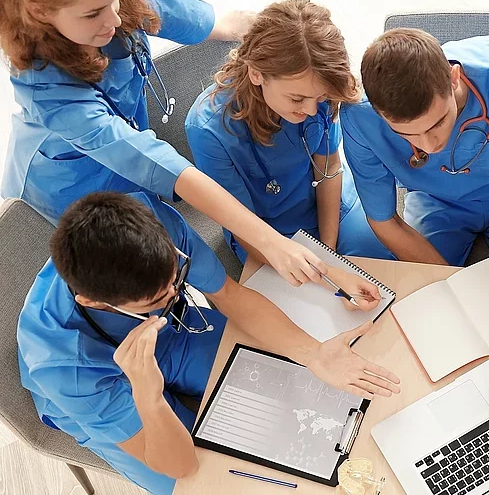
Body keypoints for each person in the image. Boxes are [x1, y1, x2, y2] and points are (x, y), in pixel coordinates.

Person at [17, 192, 401, 495]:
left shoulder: (152, 222)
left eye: (176, 279)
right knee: (208, 483)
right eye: (156, 300)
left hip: (173, 336)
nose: (174, 291)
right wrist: (148, 397)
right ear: (96, 303)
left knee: (288, 383)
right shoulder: (65, 367)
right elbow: (181, 466)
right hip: (107, 381)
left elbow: (230, 297)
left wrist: (314, 353)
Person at [0, 0, 328, 287]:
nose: (113, 18)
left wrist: (227, 27)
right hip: (68, 183)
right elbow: (157, 162)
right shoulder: (44, 88)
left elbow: (174, 11)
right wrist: (271, 241)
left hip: (135, 157)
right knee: (136, 277)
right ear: (41, 13)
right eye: (93, 13)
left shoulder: (113, 2)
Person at [340, 28, 489, 284]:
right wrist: (451, 288)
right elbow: (385, 221)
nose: (429, 146)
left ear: (454, 78)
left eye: (437, 123)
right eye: (406, 135)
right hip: (436, 202)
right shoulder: (359, 116)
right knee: (422, 293)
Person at [186, 0, 392, 264]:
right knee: (297, 299)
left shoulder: (320, 90)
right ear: (257, 74)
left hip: (330, 205)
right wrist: (317, 268)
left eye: (319, 98)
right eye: (297, 99)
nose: (309, 109)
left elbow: (328, 166)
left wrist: (328, 251)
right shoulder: (208, 130)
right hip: (263, 231)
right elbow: (239, 220)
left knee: (382, 267)